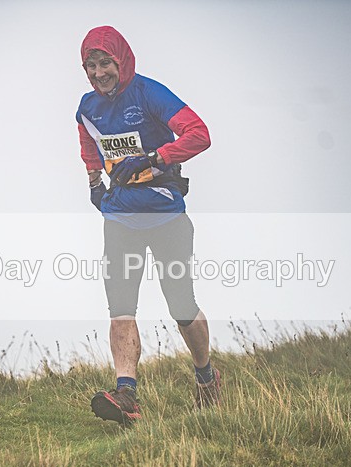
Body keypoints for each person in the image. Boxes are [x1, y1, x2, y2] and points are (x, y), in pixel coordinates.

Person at [75, 26, 221, 425]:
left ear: (121, 60)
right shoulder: (87, 108)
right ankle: (127, 396)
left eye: (105, 63)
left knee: (182, 309)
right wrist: (94, 185)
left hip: (166, 217)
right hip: (119, 218)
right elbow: (89, 145)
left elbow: (200, 134)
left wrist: (156, 157)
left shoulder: (149, 92)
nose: (99, 72)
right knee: (121, 308)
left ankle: (207, 377)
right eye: (91, 65)